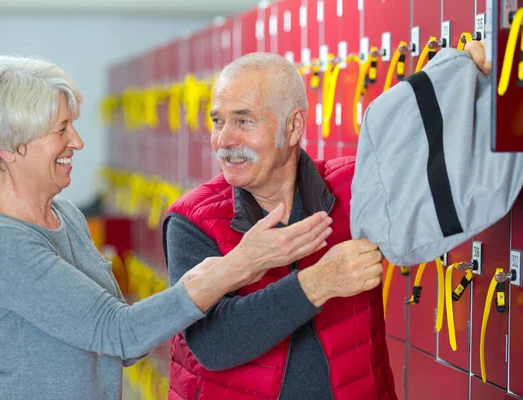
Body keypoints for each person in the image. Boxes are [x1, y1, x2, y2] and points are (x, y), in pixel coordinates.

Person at [0, 55, 332, 400]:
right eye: (61, 130)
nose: (76, 141)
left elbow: (126, 346)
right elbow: (120, 332)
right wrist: (237, 266)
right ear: (9, 147)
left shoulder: (64, 216)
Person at [164, 41, 490, 400]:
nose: (224, 140)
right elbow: (213, 342)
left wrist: (460, 73)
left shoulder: (356, 185)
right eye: (218, 121)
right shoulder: (191, 219)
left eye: (243, 120)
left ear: (293, 126)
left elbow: (429, 155)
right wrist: (318, 282)